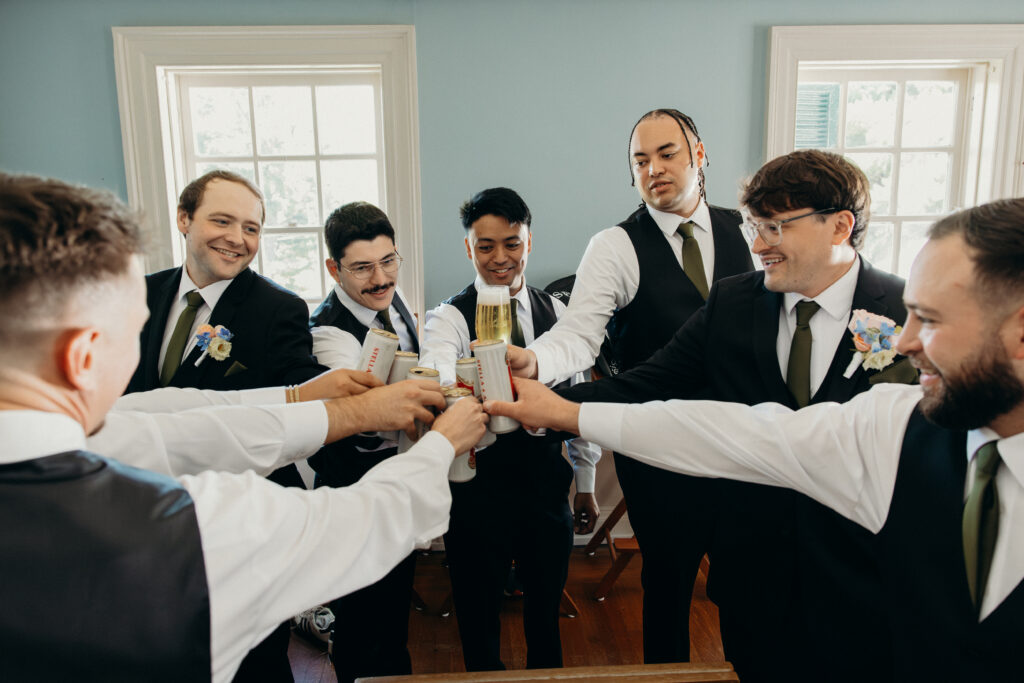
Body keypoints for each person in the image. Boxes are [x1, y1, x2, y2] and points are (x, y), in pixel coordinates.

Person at [488, 197, 1024, 681]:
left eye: (929, 320)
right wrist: (566, 412)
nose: (905, 341)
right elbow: (731, 433)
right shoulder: (895, 426)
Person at [0, 172, 487, 683]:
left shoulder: (105, 433)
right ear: (81, 358)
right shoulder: (192, 528)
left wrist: (302, 396)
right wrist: (440, 445)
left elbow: (175, 415)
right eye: (128, 329)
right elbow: (359, 520)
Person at [559, 150, 914, 681]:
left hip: (864, 575)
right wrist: (556, 408)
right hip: (753, 570)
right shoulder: (732, 303)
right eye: (754, 225)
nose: (757, 244)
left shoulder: (905, 310)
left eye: (775, 226)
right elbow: (647, 384)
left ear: (840, 226)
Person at [508, 108, 754, 662]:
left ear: (699, 154)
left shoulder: (747, 229)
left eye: (667, 153)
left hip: (747, 447)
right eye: (640, 160)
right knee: (665, 589)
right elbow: (578, 336)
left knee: (747, 590)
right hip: (659, 449)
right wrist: (536, 361)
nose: (653, 169)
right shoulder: (614, 246)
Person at [123, 169, 328, 679]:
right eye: (222, 220)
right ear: (183, 218)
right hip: (144, 520)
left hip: (239, 521)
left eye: (252, 228)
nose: (238, 239)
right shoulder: (138, 296)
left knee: (256, 666)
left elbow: (302, 397)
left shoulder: (279, 308)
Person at [419, 187, 601, 670]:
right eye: (486, 246)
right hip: (478, 496)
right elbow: (438, 376)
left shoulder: (559, 317)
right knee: (478, 624)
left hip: (546, 490)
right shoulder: (448, 319)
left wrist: (586, 483)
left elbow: (574, 399)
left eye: (512, 244)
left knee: (546, 618)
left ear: (529, 242)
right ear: (468, 248)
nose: (500, 258)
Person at [305, 201, 421, 683]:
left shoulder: (391, 301)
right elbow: (373, 411)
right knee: (358, 625)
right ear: (334, 268)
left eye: (388, 261)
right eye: (362, 268)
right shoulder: (327, 331)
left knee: (394, 619)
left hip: (397, 486)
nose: (380, 278)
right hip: (352, 492)